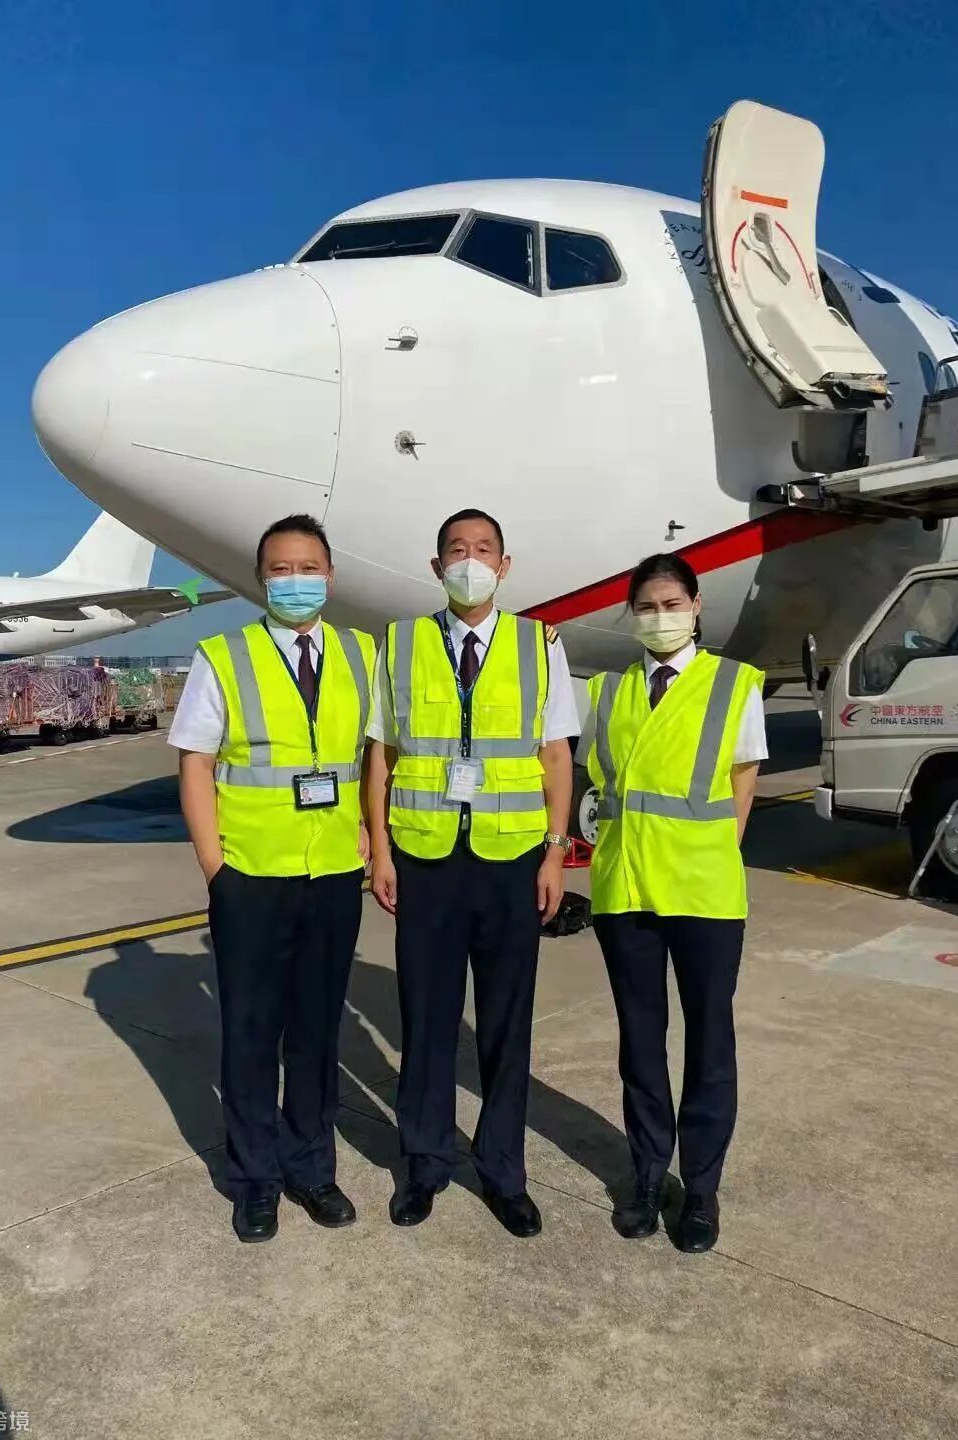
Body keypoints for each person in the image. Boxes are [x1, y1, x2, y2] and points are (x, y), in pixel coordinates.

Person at [367, 509, 580, 1237]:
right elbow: (382, 755)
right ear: (436, 567)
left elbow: (556, 756)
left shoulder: (541, 645)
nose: (470, 561)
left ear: (504, 565)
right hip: (426, 857)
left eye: (484, 549)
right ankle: (425, 1164)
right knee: (426, 1021)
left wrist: (555, 851)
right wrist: (381, 849)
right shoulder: (399, 644)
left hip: (511, 860)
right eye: (457, 550)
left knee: (506, 1025)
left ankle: (503, 1172)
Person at [170, 514, 375, 1244]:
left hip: (333, 873)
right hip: (251, 875)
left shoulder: (360, 653)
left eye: (308, 567)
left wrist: (371, 838)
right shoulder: (224, 655)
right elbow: (196, 763)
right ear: (260, 579)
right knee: (252, 1033)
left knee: (316, 1033)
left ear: (330, 575)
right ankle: (254, 1179)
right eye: (281, 569)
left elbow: (373, 758)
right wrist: (215, 867)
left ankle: (311, 1168)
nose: (296, 581)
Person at [585, 552, 765, 1254]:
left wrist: (712, 853)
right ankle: (646, 1174)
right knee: (640, 1042)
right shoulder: (609, 691)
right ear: (633, 615)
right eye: (647, 607)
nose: (660, 617)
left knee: (709, 1041)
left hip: (702, 891)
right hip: (625, 887)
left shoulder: (733, 684)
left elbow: (743, 781)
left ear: (695, 607)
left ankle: (702, 1188)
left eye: (671, 604)